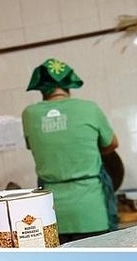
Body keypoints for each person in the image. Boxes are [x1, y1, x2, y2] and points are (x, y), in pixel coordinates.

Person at [21, 58, 119, 244]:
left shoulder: (29, 114)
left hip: (52, 212)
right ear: (68, 84)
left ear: (40, 87)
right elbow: (112, 144)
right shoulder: (89, 108)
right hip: (91, 209)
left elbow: (35, 146)